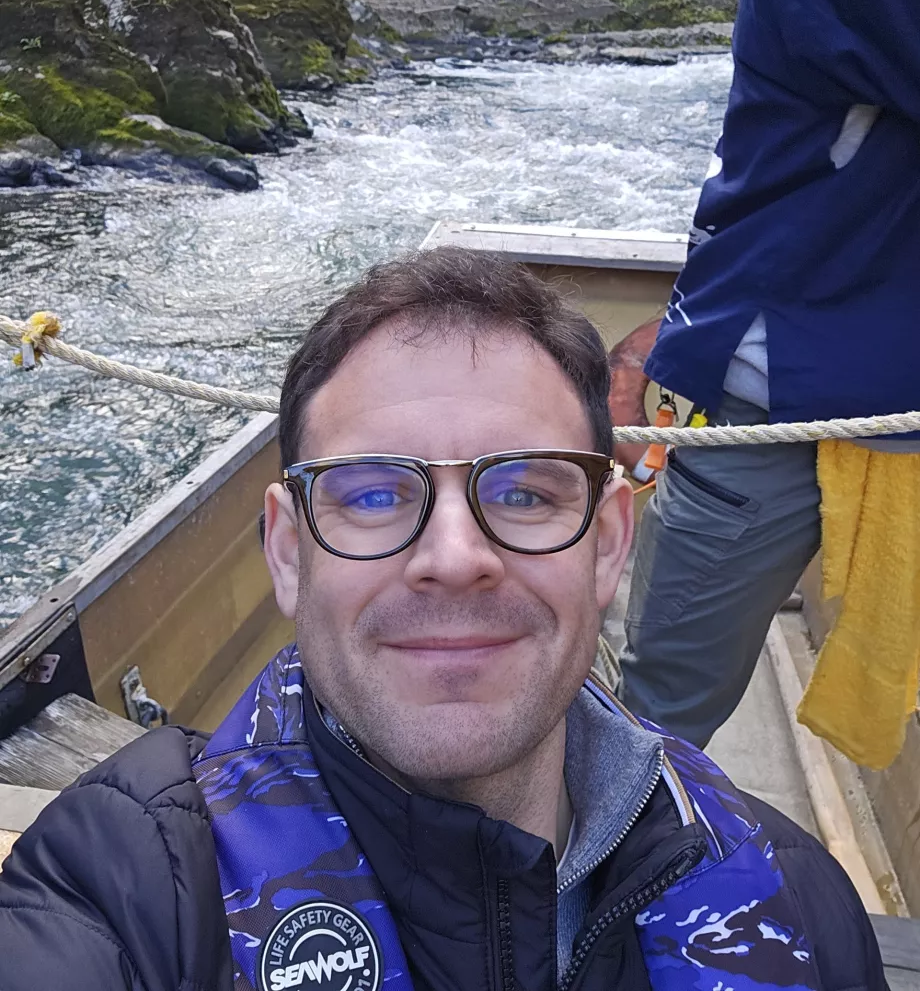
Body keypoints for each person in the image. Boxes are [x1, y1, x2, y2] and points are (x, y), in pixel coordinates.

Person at [0, 248, 884, 990]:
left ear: (609, 543)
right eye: (375, 494)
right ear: (286, 552)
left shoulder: (799, 898)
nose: (456, 556)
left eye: (527, 491)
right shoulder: (123, 887)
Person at [609, 0, 920, 750]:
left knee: (662, 702)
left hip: (851, 351)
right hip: (788, 374)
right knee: (658, 716)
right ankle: (597, 886)